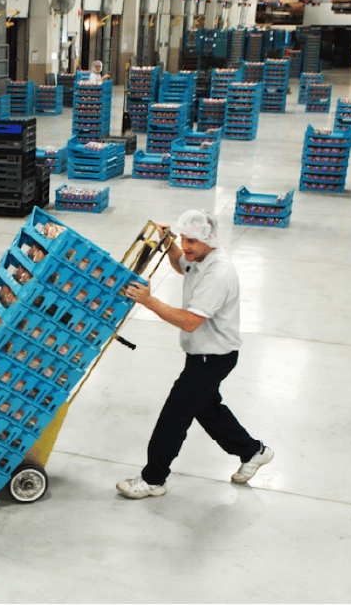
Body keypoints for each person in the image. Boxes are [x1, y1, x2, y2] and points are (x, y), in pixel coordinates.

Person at [116, 210, 272, 499]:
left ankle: (153, 479)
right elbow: (180, 264)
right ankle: (253, 451)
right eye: (183, 239)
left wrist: (148, 301)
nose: (186, 247)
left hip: (212, 358)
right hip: (201, 353)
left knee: (174, 417)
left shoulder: (219, 274)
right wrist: (167, 242)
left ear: (210, 240)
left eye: (191, 242)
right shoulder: (200, 258)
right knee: (208, 409)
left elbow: (189, 321)